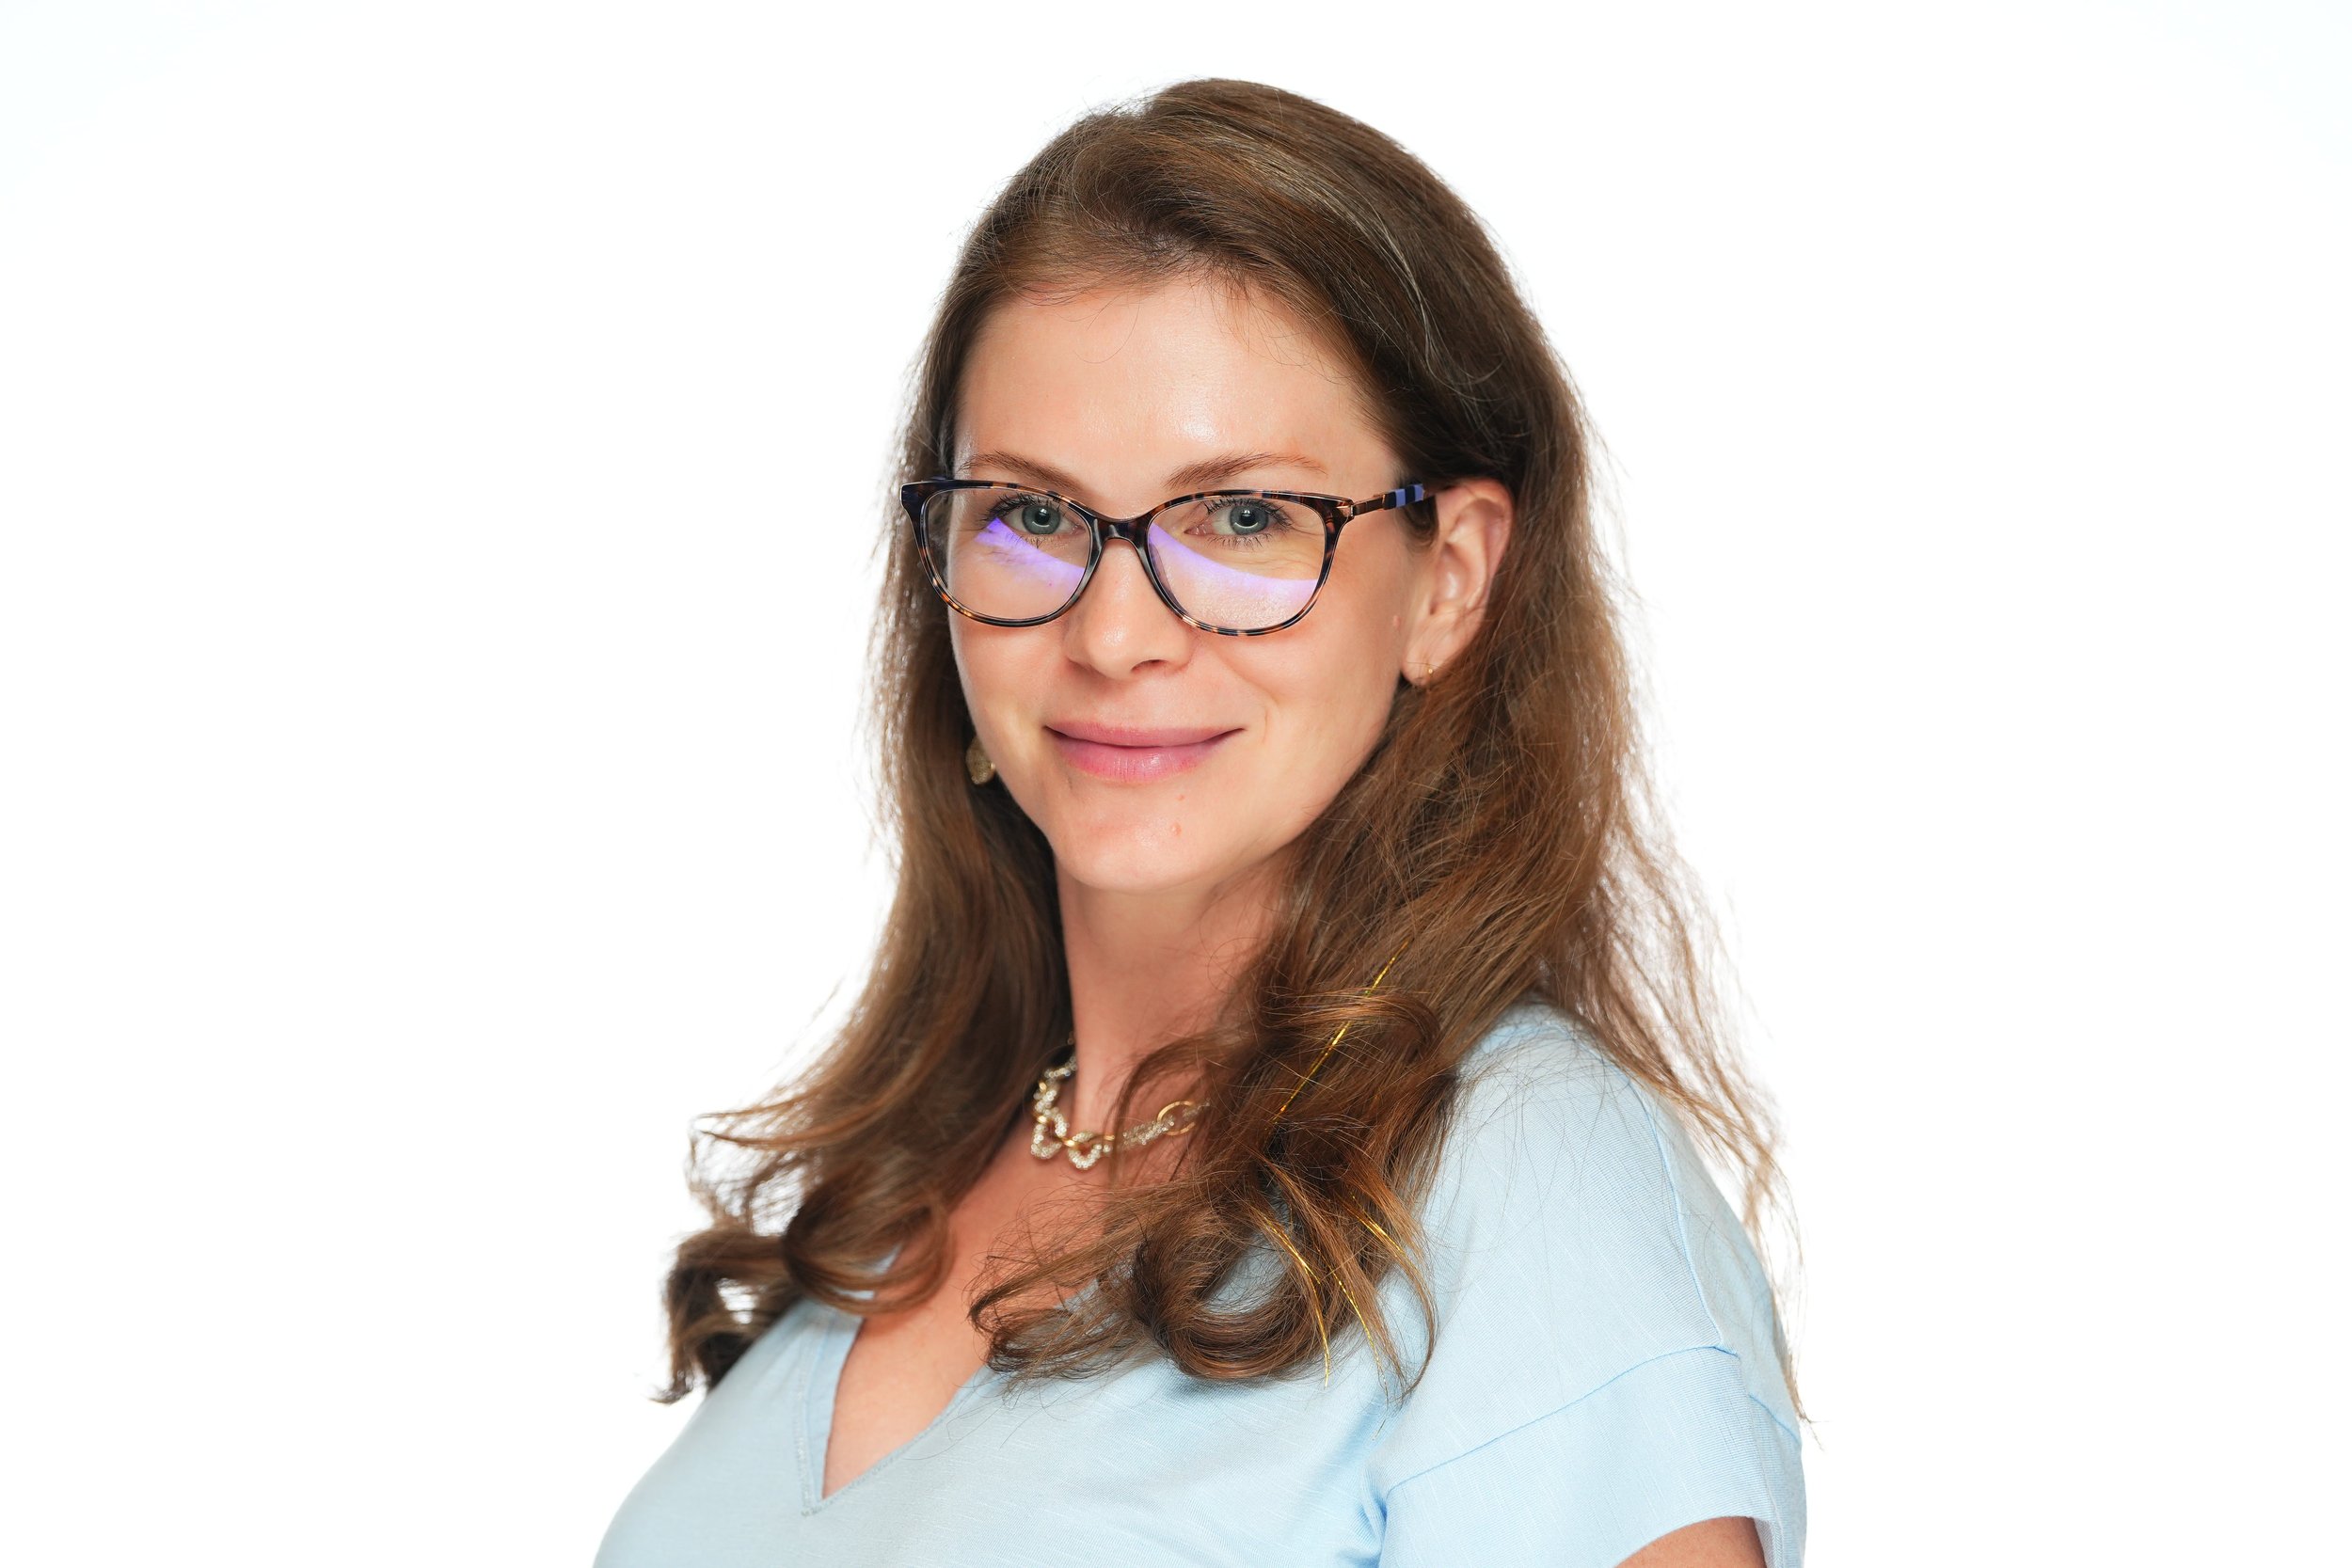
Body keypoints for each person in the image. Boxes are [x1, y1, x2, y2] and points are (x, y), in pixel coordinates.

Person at [595, 77, 1805, 1568]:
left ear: (1451, 579)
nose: (1115, 635)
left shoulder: (1523, 1180)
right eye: (1031, 515)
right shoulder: (900, 1181)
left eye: (1240, 519)